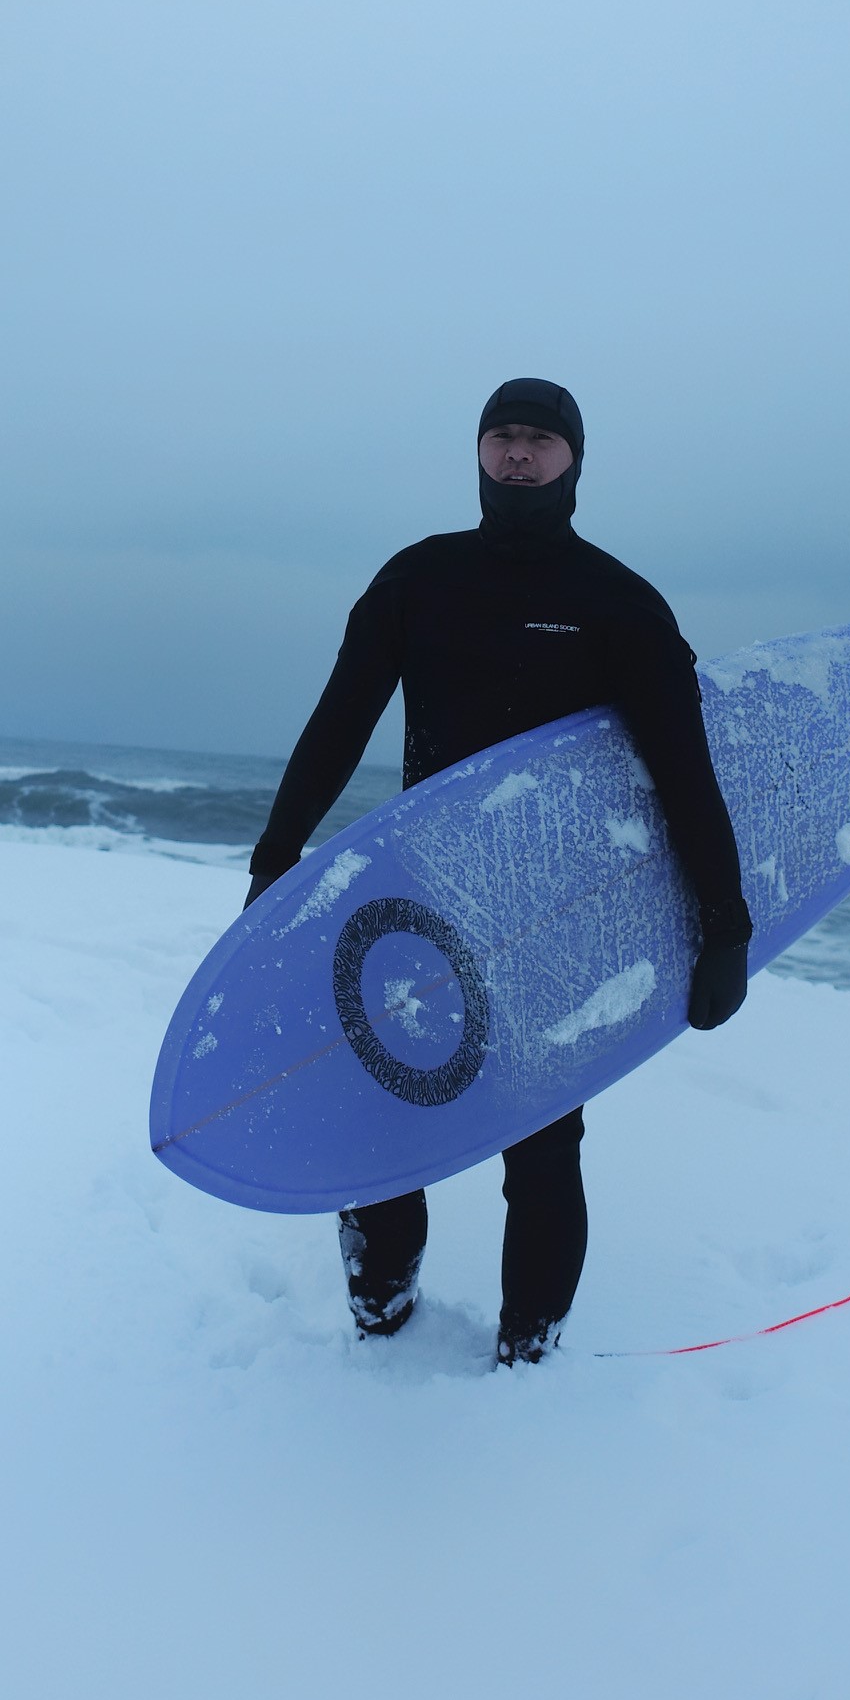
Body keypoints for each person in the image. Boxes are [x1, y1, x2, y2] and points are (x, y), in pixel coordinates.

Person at [247, 376, 752, 1367]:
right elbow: (338, 723)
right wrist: (276, 857)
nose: (518, 454)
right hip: (418, 905)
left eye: (539, 439)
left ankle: (529, 1349)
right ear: (479, 452)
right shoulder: (418, 580)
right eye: (502, 436)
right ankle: (381, 1315)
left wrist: (723, 923)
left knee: (542, 1140)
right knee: (382, 1116)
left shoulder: (618, 604)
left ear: (573, 460)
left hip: (548, 919)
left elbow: (683, 775)